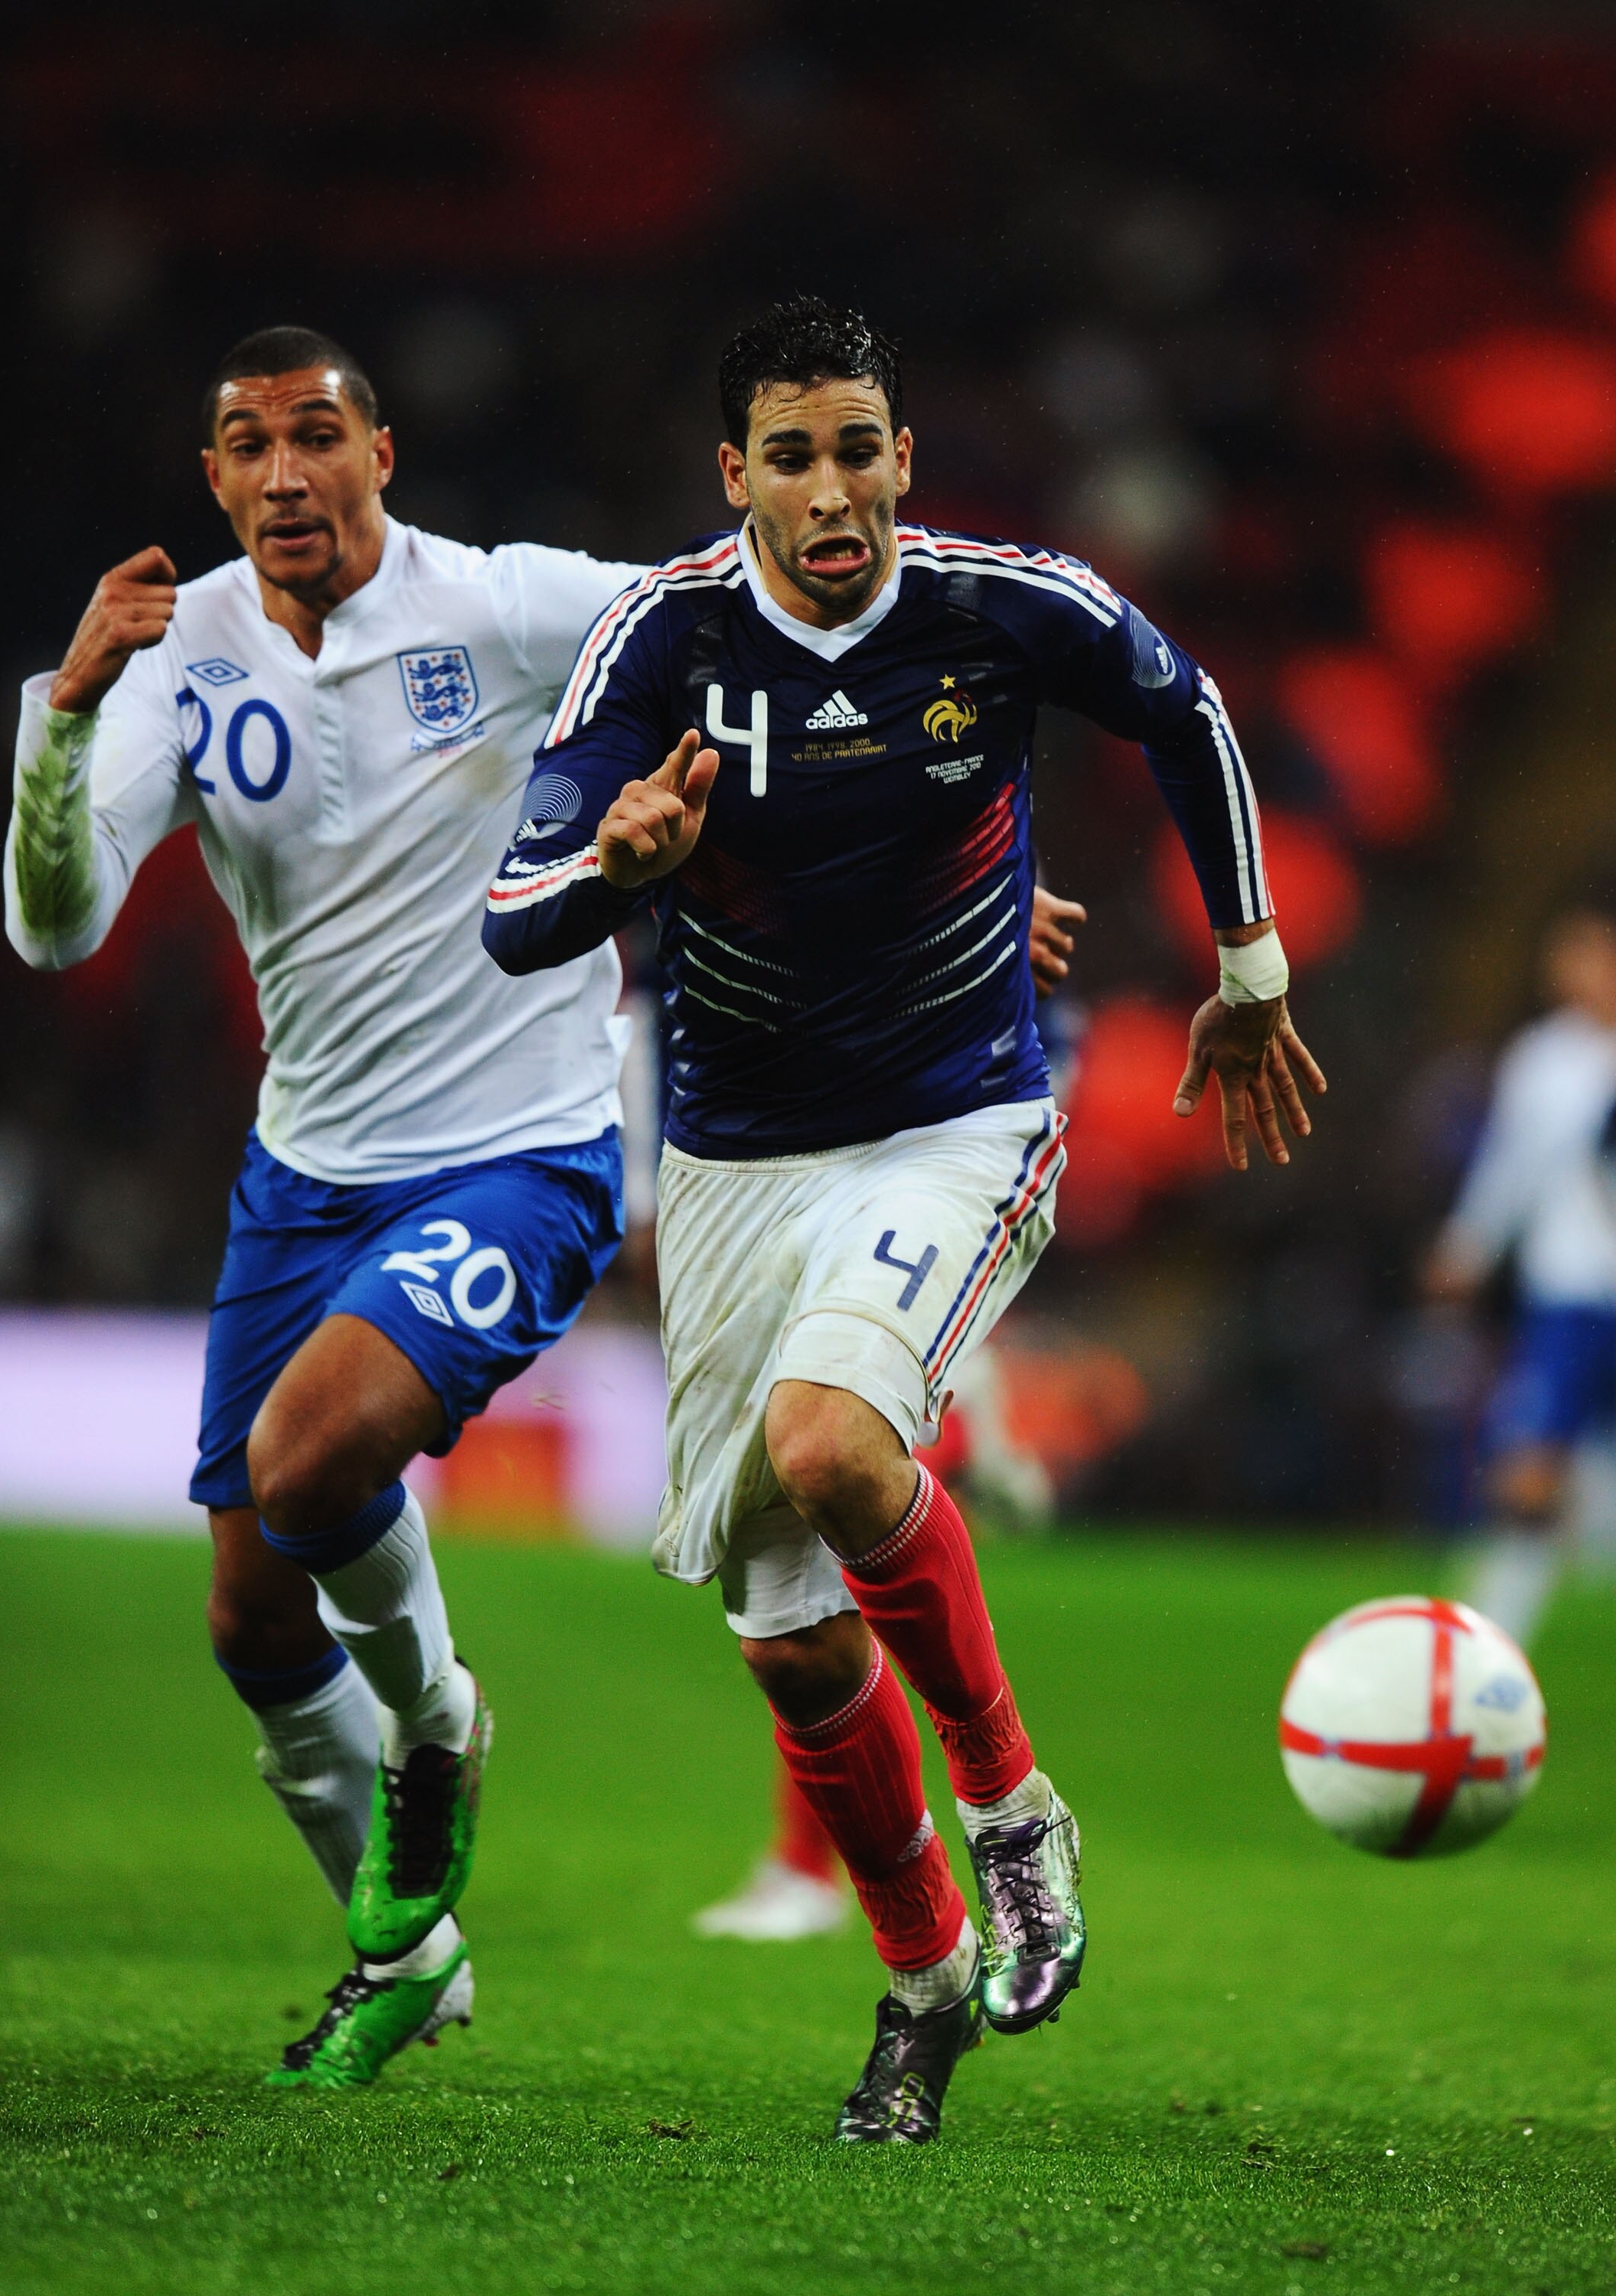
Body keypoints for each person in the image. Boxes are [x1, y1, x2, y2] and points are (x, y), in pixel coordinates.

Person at [482, 297, 1322, 2141]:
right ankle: (923, 1983)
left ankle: (1017, 1812)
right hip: (729, 1165)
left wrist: (1248, 961)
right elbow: (518, 899)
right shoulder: (667, 636)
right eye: (793, 452)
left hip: (958, 1123)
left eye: (860, 444)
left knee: (840, 1445)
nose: (834, 485)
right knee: (783, 1630)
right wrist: (615, 870)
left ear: (901, 456)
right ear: (737, 476)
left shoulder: (998, 603)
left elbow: (1184, 705)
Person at [4, 326, 643, 2089]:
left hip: (520, 1149)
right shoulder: (172, 655)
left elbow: (699, 630)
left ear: (382, 451)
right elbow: (54, 924)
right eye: (245, 445)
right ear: (212, 481)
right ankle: (410, 1954)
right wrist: (60, 729)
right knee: (251, 1621)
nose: (283, 471)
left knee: (310, 1464)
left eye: (315, 434)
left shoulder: (507, 606)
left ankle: (439, 1731)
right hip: (305, 1175)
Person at [691, 889, 1079, 1946]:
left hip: (916, 1170)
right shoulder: (781, 795)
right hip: (761, 1162)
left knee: (834, 1488)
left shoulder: (961, 828)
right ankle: (900, 1928)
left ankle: (984, 1809)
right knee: (792, 1605)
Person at [1425, 890, 1616, 1645]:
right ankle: (1486, 1646)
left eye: (1589, 952)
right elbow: (1508, 1166)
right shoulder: (1544, 1057)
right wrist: (1466, 1245)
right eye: (1564, 953)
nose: (1571, 970)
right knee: (1527, 1468)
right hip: (1566, 1291)